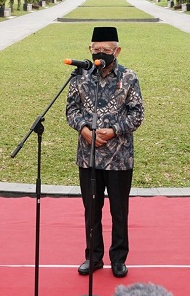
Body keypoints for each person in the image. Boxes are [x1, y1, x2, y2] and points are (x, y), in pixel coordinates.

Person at [66, 26, 144, 278]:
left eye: (106, 49)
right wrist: (84, 129)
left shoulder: (129, 77)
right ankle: (93, 256)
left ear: (117, 51)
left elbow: (137, 114)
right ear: (90, 49)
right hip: (88, 157)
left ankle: (118, 259)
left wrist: (113, 131)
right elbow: (71, 110)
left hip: (119, 157)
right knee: (91, 210)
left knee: (119, 211)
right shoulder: (80, 77)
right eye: (96, 49)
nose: (100, 53)